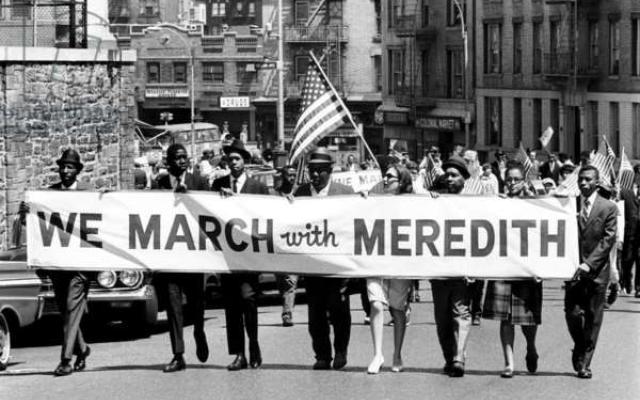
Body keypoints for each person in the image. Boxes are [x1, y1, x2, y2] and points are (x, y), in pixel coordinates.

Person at [19, 149, 92, 376]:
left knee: (71, 306)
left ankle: (65, 360)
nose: (65, 171)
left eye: (70, 167)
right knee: (65, 310)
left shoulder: (88, 194)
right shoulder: (49, 194)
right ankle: (82, 349)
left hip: (80, 265)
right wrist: (25, 214)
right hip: (58, 264)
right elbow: (33, 225)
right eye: (62, 166)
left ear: (77, 170)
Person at [294, 148, 355, 370]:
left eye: (320, 171)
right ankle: (321, 354)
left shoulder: (345, 192)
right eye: (312, 170)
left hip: (337, 265)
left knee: (339, 310)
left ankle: (340, 350)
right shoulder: (300, 193)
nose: (316, 175)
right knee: (315, 313)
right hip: (312, 265)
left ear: (330, 171)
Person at [211, 138, 269, 370]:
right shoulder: (219, 185)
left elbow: (270, 214)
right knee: (232, 305)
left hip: (249, 257)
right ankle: (238, 353)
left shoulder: (258, 187)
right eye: (230, 159)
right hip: (227, 257)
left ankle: (253, 344)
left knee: (248, 299)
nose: (233, 163)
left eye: (237, 159)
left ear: (245, 161)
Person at [152, 144, 209, 373]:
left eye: (185, 157)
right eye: (177, 158)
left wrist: (191, 196)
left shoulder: (199, 182)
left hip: (194, 255)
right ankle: (178, 353)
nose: (182, 161)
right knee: (174, 306)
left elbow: (210, 210)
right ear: (169, 161)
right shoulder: (161, 184)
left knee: (196, 304)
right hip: (172, 256)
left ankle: (199, 332)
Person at [482, 163, 542, 378]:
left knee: (527, 317)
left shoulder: (535, 204)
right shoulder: (498, 202)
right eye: (509, 179)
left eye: (517, 179)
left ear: (524, 181)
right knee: (505, 317)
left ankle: (531, 347)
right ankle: (509, 362)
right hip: (503, 266)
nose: (512, 183)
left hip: (526, 268)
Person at [565, 165, 617, 379]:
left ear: (597, 182)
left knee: (594, 318)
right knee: (572, 314)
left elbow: (608, 239)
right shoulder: (569, 205)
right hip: (574, 272)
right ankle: (579, 344)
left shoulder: (608, 207)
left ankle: (585, 362)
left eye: (588, 180)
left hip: (597, 272)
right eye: (580, 180)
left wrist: (590, 263)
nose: (583, 183)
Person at [365, 164, 416, 374]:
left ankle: (397, 353)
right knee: (376, 304)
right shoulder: (374, 199)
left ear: (402, 181)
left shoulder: (413, 203)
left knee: (397, 308)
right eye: (384, 176)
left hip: (400, 262)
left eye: (390, 177)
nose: (385, 179)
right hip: (376, 259)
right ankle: (377, 354)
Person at [430, 155, 473, 377]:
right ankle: (449, 357)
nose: (449, 178)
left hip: (463, 269)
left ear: (464, 179)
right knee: (442, 318)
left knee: (461, 312)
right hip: (439, 269)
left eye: (454, 175)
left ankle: (459, 356)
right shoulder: (436, 200)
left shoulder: (475, 203)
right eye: (446, 175)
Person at [274, 165, 299, 327]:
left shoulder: (301, 193)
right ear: (283, 176)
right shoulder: (274, 195)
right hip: (278, 244)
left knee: (291, 281)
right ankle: (287, 306)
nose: (292, 178)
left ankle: (287, 313)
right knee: (282, 283)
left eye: (294, 175)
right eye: (289, 175)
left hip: (296, 243)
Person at [618, 182, 640, 296]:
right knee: (627, 259)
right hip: (629, 233)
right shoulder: (626, 193)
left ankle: (639, 288)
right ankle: (626, 284)